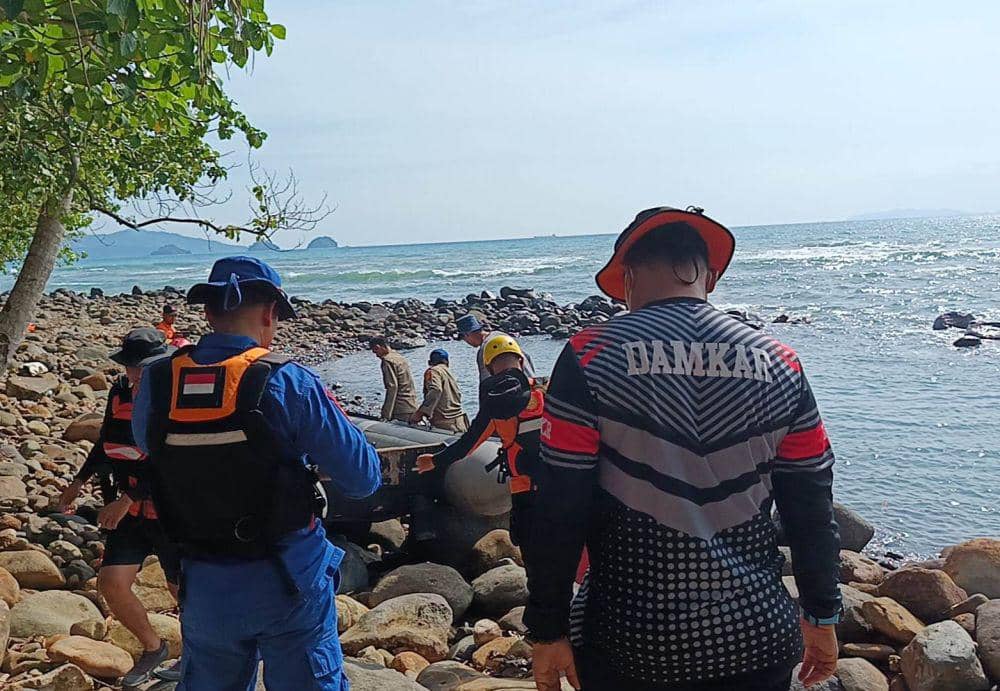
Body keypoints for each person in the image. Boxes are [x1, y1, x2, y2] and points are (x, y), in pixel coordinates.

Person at [525, 207, 842, 691]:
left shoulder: (590, 355)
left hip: (629, 641)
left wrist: (547, 627)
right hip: (753, 637)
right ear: (709, 277)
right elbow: (812, 508)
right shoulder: (783, 364)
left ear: (628, 278)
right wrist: (822, 613)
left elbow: (558, 508)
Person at [131, 256, 382, 691]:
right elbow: (363, 478)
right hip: (288, 578)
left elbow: (148, 446)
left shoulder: (157, 382)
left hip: (204, 583)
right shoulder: (290, 382)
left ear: (208, 311)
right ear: (270, 312)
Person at [58, 327, 183, 686]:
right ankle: (153, 647)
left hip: (167, 509)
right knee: (112, 583)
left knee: (181, 590)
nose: (135, 374)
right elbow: (105, 443)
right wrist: (77, 483)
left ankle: (198, 656)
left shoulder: (171, 396)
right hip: (127, 507)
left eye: (141, 367)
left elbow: (169, 458)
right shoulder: (119, 391)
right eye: (130, 367)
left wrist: (126, 501)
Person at [414, 334, 544, 550]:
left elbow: (468, 444)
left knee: (532, 548)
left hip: (524, 489)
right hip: (560, 481)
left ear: (490, 368)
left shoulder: (494, 405)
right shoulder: (547, 390)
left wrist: (434, 461)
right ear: (521, 361)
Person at [456, 314, 535, 383]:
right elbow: (527, 357)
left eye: (464, 339)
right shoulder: (502, 336)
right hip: (531, 385)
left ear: (467, 335)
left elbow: (486, 381)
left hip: (513, 394)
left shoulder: (485, 349)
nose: (467, 343)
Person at [410, 348, 469, 432]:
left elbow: (436, 390)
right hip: (460, 420)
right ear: (447, 362)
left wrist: (420, 413)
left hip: (445, 423)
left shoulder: (433, 371)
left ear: (429, 362)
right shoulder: (449, 372)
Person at [369, 336, 419, 422]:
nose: (376, 355)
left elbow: (392, 387)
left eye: (376, 351)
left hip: (400, 408)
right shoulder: (399, 357)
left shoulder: (387, 361)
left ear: (378, 347)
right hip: (411, 403)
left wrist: (386, 414)